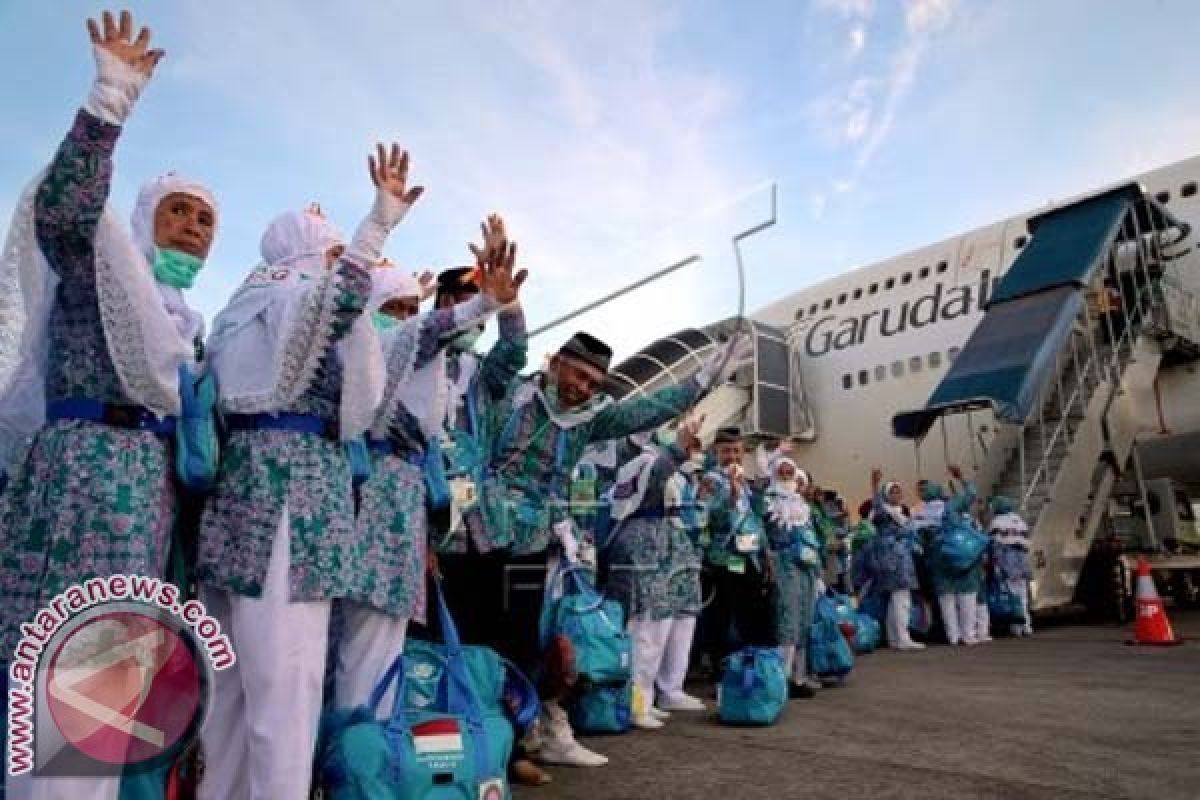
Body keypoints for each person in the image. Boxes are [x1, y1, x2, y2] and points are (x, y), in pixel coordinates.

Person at [0, 11, 218, 800]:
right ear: (142, 218)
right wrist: (109, 102)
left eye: (205, 221)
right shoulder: (105, 263)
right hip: (88, 484)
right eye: (180, 212)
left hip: (142, 502)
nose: (194, 230)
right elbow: (61, 213)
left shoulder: (181, 324)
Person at [195, 143, 419, 800]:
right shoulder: (297, 295)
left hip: (238, 498)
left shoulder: (242, 304)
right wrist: (375, 224)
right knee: (287, 697)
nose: (341, 269)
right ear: (309, 255)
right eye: (329, 255)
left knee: (230, 693)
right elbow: (340, 301)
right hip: (294, 502)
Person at [459, 328, 745, 770]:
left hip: (541, 540)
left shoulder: (590, 418)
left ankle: (526, 740)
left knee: (535, 640)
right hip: (482, 532)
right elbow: (497, 367)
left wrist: (703, 378)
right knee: (480, 637)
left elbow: (643, 411)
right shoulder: (512, 395)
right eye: (577, 375)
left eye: (593, 383)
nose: (582, 389)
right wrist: (507, 314)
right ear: (554, 362)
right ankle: (479, 741)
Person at [331, 220, 526, 713]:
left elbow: (515, 351)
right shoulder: (393, 351)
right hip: (409, 517)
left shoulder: (479, 376)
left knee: (478, 628)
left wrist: (508, 301)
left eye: (476, 298)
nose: (470, 310)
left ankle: (471, 738)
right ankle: (393, 736)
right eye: (461, 297)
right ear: (443, 305)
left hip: (469, 523)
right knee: (401, 636)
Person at [603, 416, 704, 729]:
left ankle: (648, 696)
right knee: (644, 628)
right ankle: (634, 702)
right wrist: (681, 442)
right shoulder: (639, 463)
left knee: (657, 626)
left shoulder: (648, 462)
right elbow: (660, 471)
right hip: (640, 546)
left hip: (658, 543)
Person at [702, 428, 776, 671]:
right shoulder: (710, 480)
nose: (732, 456)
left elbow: (754, 519)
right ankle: (721, 667)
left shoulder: (744, 482)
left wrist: (766, 553)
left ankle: (753, 664)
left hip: (750, 556)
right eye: (726, 451)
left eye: (736, 451)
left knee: (753, 609)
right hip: (725, 557)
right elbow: (708, 518)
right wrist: (730, 496)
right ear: (715, 452)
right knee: (724, 611)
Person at [759, 448, 822, 699]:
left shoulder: (803, 505)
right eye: (782, 471)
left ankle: (799, 675)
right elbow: (762, 535)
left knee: (805, 618)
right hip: (783, 565)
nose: (786, 475)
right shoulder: (767, 501)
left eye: (790, 471)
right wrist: (768, 561)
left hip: (806, 567)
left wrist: (817, 574)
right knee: (787, 617)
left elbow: (812, 539)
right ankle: (782, 678)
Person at [655, 434, 711, 713]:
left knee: (685, 619)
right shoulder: (664, 476)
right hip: (668, 553)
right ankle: (656, 689)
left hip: (688, 554)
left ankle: (673, 688)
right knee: (661, 622)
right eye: (690, 449)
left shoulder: (692, 482)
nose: (695, 456)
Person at [869, 468, 925, 650]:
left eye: (898, 491)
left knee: (896, 600)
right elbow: (877, 506)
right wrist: (875, 485)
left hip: (900, 559)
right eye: (892, 491)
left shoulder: (902, 512)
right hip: (893, 560)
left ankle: (895, 637)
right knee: (902, 600)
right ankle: (903, 638)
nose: (897, 494)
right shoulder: (884, 513)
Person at [929, 467, 986, 646]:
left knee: (947, 600)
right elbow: (971, 494)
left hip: (940, 558)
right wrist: (961, 477)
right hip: (962, 554)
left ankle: (953, 636)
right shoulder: (952, 506)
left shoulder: (917, 512)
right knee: (967, 598)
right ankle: (968, 635)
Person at [988, 496, 1034, 637]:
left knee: (1012, 595)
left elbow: (995, 544)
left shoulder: (997, 522)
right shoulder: (1020, 521)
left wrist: (996, 565)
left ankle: (1016, 628)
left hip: (1008, 562)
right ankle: (1027, 626)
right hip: (1022, 563)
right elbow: (1026, 543)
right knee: (1023, 596)